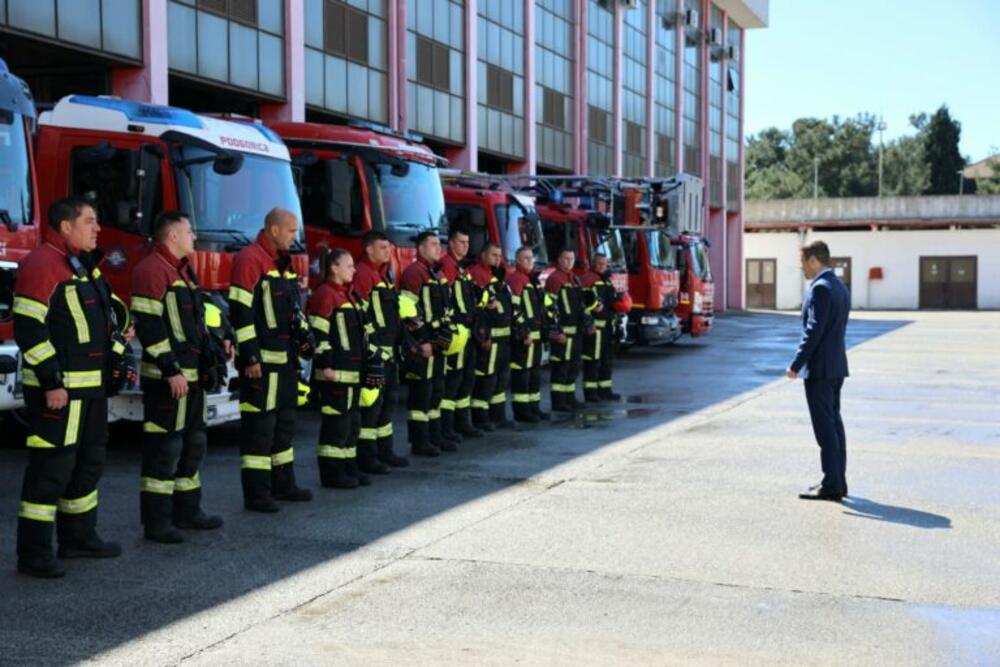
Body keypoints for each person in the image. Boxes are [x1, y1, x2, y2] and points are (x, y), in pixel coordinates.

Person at [13, 197, 124, 578]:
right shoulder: (44, 263)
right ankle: (34, 554)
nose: (97, 228)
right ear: (65, 226)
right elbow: (29, 327)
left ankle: (78, 538)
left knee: (87, 465)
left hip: (90, 392)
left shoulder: (81, 267)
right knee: (51, 471)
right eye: (89, 221)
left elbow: (103, 316)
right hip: (60, 393)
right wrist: (51, 381)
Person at [130, 211, 226, 543]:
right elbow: (149, 325)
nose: (193, 238)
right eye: (188, 232)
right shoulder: (152, 270)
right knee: (164, 448)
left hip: (192, 377)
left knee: (192, 443)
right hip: (167, 380)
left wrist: (218, 340)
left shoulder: (181, 271)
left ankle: (188, 511)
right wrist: (171, 370)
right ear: (172, 236)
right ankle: (157, 523)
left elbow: (196, 320)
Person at [228, 208, 313, 512]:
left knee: (284, 426)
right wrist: (250, 356)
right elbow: (241, 311)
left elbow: (291, 311)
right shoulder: (251, 258)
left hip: (286, 363)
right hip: (262, 365)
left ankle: (284, 484)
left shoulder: (282, 264)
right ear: (274, 230)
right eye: (291, 231)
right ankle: (257, 494)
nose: (295, 236)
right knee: (260, 430)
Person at [308, 248, 384, 489]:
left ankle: (349, 469)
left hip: (352, 373)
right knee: (336, 426)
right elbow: (318, 334)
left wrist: (374, 358)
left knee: (352, 424)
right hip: (335, 375)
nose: (354, 270)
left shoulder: (350, 296)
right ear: (334, 267)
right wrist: (326, 365)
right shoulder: (325, 295)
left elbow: (366, 331)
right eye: (349, 265)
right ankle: (332, 474)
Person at [786, 240, 851, 502]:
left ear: (813, 260)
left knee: (825, 428)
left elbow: (814, 330)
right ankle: (838, 480)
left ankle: (831, 484)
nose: (802, 268)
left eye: (803, 263)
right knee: (834, 424)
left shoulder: (821, 289)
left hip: (821, 370)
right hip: (836, 367)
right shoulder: (838, 286)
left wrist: (795, 363)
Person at [351, 231, 408, 471]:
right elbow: (361, 318)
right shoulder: (363, 275)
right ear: (369, 250)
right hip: (375, 355)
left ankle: (385, 451)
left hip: (389, 353)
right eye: (383, 247)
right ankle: (367, 457)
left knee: (387, 405)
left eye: (388, 247)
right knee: (372, 409)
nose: (388, 251)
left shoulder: (383, 274)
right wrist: (372, 352)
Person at [398, 231, 453, 456]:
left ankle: (434, 436)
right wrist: (424, 341)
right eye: (432, 244)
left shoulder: (436, 273)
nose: (437, 247)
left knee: (436, 389)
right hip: (424, 346)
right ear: (420, 248)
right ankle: (420, 441)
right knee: (422, 393)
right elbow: (407, 311)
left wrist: (444, 336)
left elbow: (446, 309)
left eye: (439, 244)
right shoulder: (414, 273)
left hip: (437, 344)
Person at [437, 224, 486, 440]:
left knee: (466, 380)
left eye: (467, 243)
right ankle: (447, 429)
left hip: (468, 332)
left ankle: (462, 424)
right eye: (461, 242)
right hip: (457, 333)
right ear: (451, 243)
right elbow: (446, 301)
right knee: (453, 382)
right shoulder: (447, 266)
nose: (465, 246)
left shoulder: (462, 268)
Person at [467, 242, 514, 430]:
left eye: (499, 255)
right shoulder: (478, 274)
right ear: (483, 254)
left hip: (504, 338)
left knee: (501, 379)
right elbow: (480, 310)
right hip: (490, 338)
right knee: (487, 378)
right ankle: (481, 418)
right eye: (494, 255)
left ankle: (498, 416)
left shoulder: (497, 275)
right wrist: (483, 336)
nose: (498, 259)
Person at [545, 248, 593, 412]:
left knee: (574, 366)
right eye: (566, 259)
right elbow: (550, 309)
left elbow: (581, 306)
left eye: (572, 259)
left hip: (576, 334)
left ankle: (570, 398)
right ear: (559, 260)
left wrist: (588, 323)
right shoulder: (554, 279)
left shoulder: (575, 279)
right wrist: (556, 332)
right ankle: (559, 402)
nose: (569, 262)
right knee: (561, 368)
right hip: (563, 334)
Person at [506, 246, 548, 423]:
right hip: (525, 338)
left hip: (536, 336)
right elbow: (514, 309)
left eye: (531, 258)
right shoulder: (516, 280)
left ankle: (534, 408)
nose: (530, 262)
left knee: (534, 374)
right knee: (522, 375)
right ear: (517, 261)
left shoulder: (533, 281)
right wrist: (524, 333)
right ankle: (522, 412)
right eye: (525, 259)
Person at [579, 253, 620, 402]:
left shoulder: (607, 281)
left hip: (608, 328)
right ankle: (591, 393)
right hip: (594, 329)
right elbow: (582, 304)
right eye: (599, 263)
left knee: (606, 360)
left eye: (604, 263)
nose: (602, 266)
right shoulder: (588, 280)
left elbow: (612, 302)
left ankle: (605, 390)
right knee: (592, 361)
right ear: (592, 264)